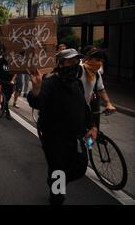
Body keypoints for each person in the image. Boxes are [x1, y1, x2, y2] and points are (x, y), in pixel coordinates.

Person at [27, 49, 98, 205]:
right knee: (58, 169)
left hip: (76, 137)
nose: (73, 65)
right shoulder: (50, 83)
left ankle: (56, 179)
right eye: (69, 61)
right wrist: (37, 89)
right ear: (59, 64)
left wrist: (92, 126)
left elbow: (85, 108)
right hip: (55, 139)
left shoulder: (77, 83)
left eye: (76, 61)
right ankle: (57, 197)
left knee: (79, 168)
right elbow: (36, 102)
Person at [79, 47, 116, 124]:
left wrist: (108, 104)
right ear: (89, 58)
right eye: (98, 60)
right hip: (71, 109)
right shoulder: (78, 70)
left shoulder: (96, 74)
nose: (100, 63)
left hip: (85, 110)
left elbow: (101, 90)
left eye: (102, 61)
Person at [0, 48, 16, 120]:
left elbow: (15, 72)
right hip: (1, 81)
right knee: (5, 96)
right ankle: (7, 111)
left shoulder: (12, 62)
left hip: (9, 82)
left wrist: (12, 80)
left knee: (8, 96)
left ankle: (3, 104)